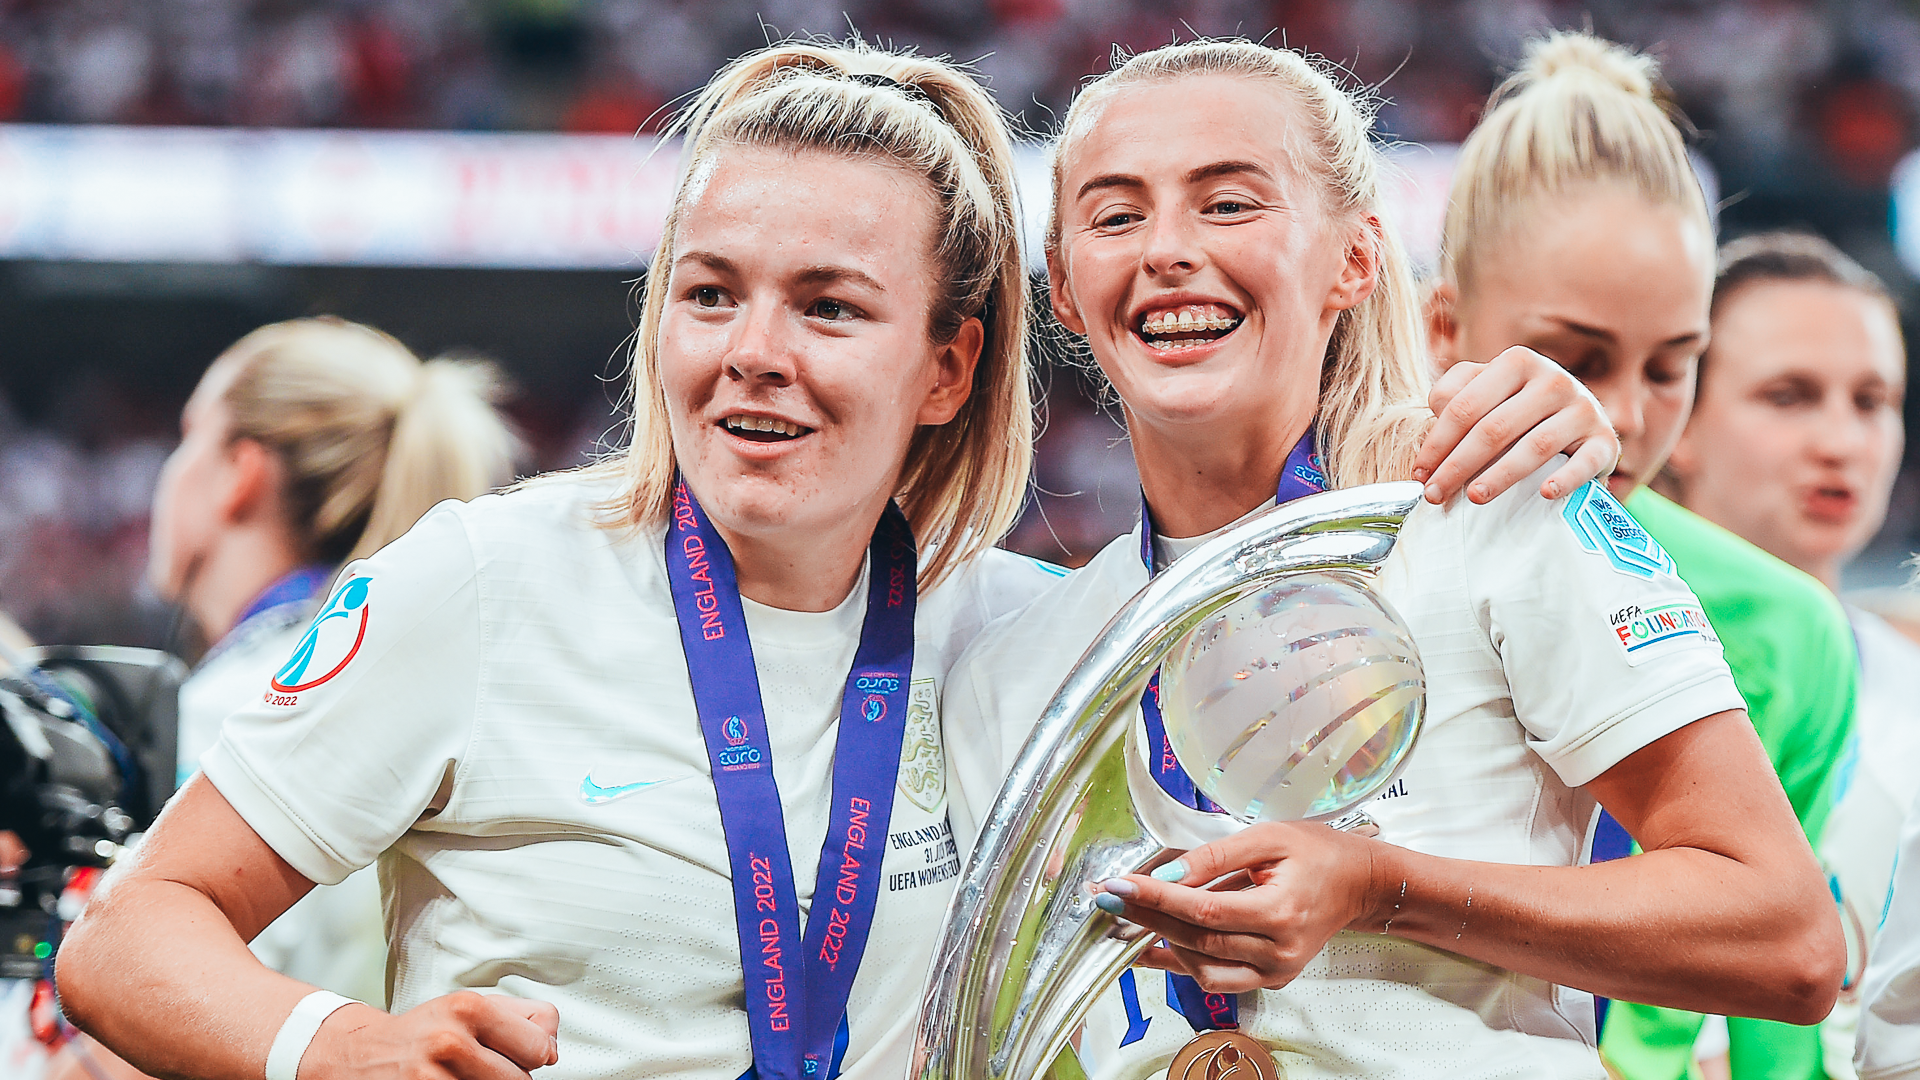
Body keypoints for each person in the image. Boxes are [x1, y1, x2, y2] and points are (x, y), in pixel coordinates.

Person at [53, 39, 1625, 1080]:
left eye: (828, 306)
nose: (755, 356)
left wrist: (1548, 401)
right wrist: (331, 1046)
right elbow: (130, 933)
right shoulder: (489, 580)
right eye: (711, 292)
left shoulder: (1030, 643)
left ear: (948, 368)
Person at [945, 33, 1842, 1080]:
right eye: (1115, 215)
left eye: (1229, 203)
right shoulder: (1019, 672)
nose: (1167, 249)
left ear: (1357, 259)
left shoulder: (1500, 515)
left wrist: (1385, 888)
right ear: (1063, 291)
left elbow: (1786, 939)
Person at [1419, 40, 1864, 1080]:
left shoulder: (1785, 630)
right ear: (1444, 328)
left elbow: (1778, 1031)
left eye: (1672, 367)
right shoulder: (1351, 569)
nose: (1616, 418)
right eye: (1574, 360)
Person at [47, 319, 520, 1080]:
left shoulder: (240, 709)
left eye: (188, 436)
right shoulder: (400, 673)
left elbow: (139, 1031)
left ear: (241, 472)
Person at [1647, 232, 1911, 1080]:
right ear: (1676, 417)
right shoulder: (1580, 676)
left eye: (1873, 400)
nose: (1842, 441)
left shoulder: (1911, 690)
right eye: (1789, 396)